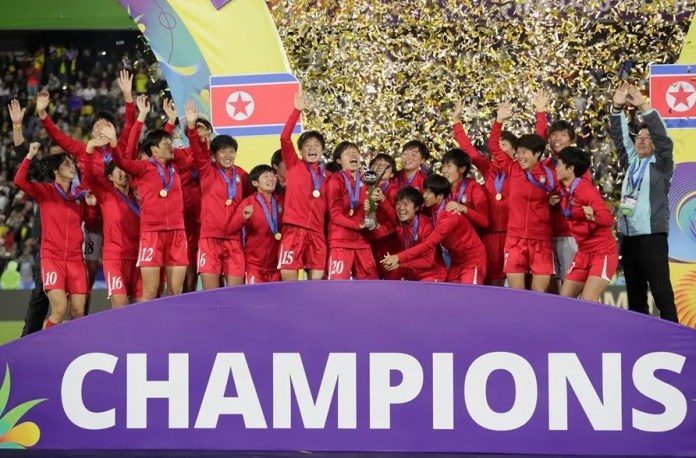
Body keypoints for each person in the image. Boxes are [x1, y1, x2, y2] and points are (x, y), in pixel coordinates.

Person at [35, 71, 135, 303]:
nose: (102, 128)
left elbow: (131, 124)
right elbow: (58, 137)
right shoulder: (82, 149)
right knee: (86, 280)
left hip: (118, 217)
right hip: (91, 219)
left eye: (107, 125)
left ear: (113, 130)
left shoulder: (119, 149)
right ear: (91, 132)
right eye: (97, 126)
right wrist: (42, 114)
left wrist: (128, 96)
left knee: (127, 271)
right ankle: (82, 322)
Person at [112, 99, 199, 299]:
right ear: (154, 151)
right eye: (166, 145)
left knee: (176, 291)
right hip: (152, 232)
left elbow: (195, 154)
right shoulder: (143, 169)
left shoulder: (177, 167)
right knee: (150, 291)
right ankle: (148, 330)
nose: (171, 147)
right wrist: (139, 118)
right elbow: (121, 160)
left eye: (171, 144)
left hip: (177, 232)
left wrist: (191, 127)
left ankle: (173, 329)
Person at [609, 83, 678, 322]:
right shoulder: (632, 163)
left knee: (661, 292)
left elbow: (664, 139)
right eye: (639, 136)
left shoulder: (661, 165)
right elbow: (620, 138)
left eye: (648, 138)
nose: (641, 141)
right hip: (629, 238)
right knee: (635, 295)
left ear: (655, 144)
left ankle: (674, 339)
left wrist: (644, 107)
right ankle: (642, 341)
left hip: (652, 236)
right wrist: (617, 108)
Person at [14, 143, 97, 327]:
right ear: (55, 170)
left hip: (76, 259)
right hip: (52, 258)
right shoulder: (46, 191)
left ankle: (70, 351)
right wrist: (29, 156)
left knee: (78, 312)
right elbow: (19, 181)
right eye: (66, 164)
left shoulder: (79, 196)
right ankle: (48, 351)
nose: (72, 167)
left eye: (72, 163)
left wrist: (91, 207)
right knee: (59, 309)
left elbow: (89, 223)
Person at [83, 104, 145, 306]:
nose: (123, 173)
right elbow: (90, 175)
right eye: (117, 170)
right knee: (120, 310)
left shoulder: (139, 194)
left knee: (143, 311)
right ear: (109, 176)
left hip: (139, 258)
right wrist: (91, 149)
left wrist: (141, 115)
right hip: (115, 259)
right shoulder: (105, 193)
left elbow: (133, 139)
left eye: (125, 170)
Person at [490, 100, 555, 292]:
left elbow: (539, 138)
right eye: (518, 152)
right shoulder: (513, 168)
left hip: (541, 240)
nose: (519, 156)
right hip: (515, 239)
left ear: (537, 154)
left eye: (524, 152)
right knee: (517, 295)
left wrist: (540, 113)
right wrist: (498, 121)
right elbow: (494, 147)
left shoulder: (549, 175)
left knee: (539, 296)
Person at [382, 175, 487, 284]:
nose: (424, 196)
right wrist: (383, 201)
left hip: (472, 260)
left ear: (440, 196)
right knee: (452, 296)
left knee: (468, 296)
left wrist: (398, 257)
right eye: (424, 191)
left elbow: (429, 244)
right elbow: (400, 215)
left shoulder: (449, 216)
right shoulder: (428, 209)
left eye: (428, 193)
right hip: (456, 261)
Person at [8, 99, 51, 335]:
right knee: (41, 292)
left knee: (78, 294)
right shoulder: (46, 180)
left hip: (79, 241)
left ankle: (76, 337)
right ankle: (28, 338)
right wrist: (17, 127)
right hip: (49, 242)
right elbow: (22, 157)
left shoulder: (81, 177)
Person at [278, 87, 329, 281]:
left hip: (317, 233)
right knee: (289, 283)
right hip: (293, 230)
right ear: (300, 150)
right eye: (308, 145)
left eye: (317, 145)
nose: (312, 148)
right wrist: (296, 111)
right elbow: (284, 138)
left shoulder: (328, 176)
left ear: (322, 150)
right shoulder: (293, 164)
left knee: (316, 288)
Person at [554, 147, 618, 302]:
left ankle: (602, 327)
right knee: (565, 300)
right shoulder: (566, 190)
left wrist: (593, 216)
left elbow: (608, 220)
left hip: (602, 253)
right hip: (583, 253)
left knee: (589, 300)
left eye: (560, 164)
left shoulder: (586, 190)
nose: (556, 168)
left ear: (570, 169)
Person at [194, 127, 249, 289]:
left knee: (235, 294)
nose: (228, 155)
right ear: (214, 155)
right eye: (223, 151)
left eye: (231, 151)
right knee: (211, 295)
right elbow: (197, 151)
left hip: (234, 240)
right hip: (210, 239)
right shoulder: (207, 171)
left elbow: (256, 194)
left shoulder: (242, 175)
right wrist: (191, 128)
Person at [163, 100, 204, 293]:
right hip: (186, 220)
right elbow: (160, 146)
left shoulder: (220, 157)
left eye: (205, 129)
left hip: (210, 223)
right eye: (197, 128)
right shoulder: (180, 156)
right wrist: (171, 122)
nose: (202, 132)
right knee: (187, 269)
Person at [325, 141, 379, 280]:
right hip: (340, 241)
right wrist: (357, 225)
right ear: (339, 160)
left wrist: (371, 219)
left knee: (370, 286)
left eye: (355, 152)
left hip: (362, 241)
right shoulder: (335, 181)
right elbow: (335, 215)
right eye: (348, 153)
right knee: (337, 287)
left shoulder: (367, 181)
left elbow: (371, 211)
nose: (353, 155)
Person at [231, 165, 284, 284]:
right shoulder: (248, 203)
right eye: (266, 176)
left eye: (272, 175)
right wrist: (243, 218)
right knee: (253, 301)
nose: (270, 179)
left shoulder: (282, 202)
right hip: (254, 267)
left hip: (277, 266)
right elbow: (231, 228)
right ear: (255, 183)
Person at [389, 186, 447, 281]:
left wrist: (400, 264)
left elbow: (428, 261)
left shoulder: (426, 226)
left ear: (416, 207)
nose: (401, 208)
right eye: (398, 204)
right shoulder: (400, 224)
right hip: (412, 276)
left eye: (406, 204)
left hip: (432, 276)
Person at [439, 148, 489, 234]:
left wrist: (464, 209)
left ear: (462, 169)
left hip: (472, 241)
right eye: (443, 166)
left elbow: (485, 222)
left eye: (449, 166)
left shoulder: (474, 188)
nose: (444, 170)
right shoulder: (443, 189)